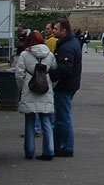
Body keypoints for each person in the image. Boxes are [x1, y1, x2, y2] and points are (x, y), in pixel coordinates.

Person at [15, 30, 57, 160]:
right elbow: (55, 72)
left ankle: (29, 151)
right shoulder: (49, 55)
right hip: (46, 88)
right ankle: (49, 150)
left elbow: (19, 74)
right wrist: (51, 86)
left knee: (29, 122)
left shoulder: (25, 55)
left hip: (30, 87)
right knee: (46, 121)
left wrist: (22, 88)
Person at [49, 18, 82, 157]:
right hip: (68, 84)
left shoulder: (68, 46)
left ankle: (67, 147)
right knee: (61, 117)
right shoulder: (69, 43)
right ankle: (59, 146)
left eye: (56, 29)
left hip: (65, 85)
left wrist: (50, 75)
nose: (53, 31)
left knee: (63, 117)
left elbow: (65, 69)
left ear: (63, 31)